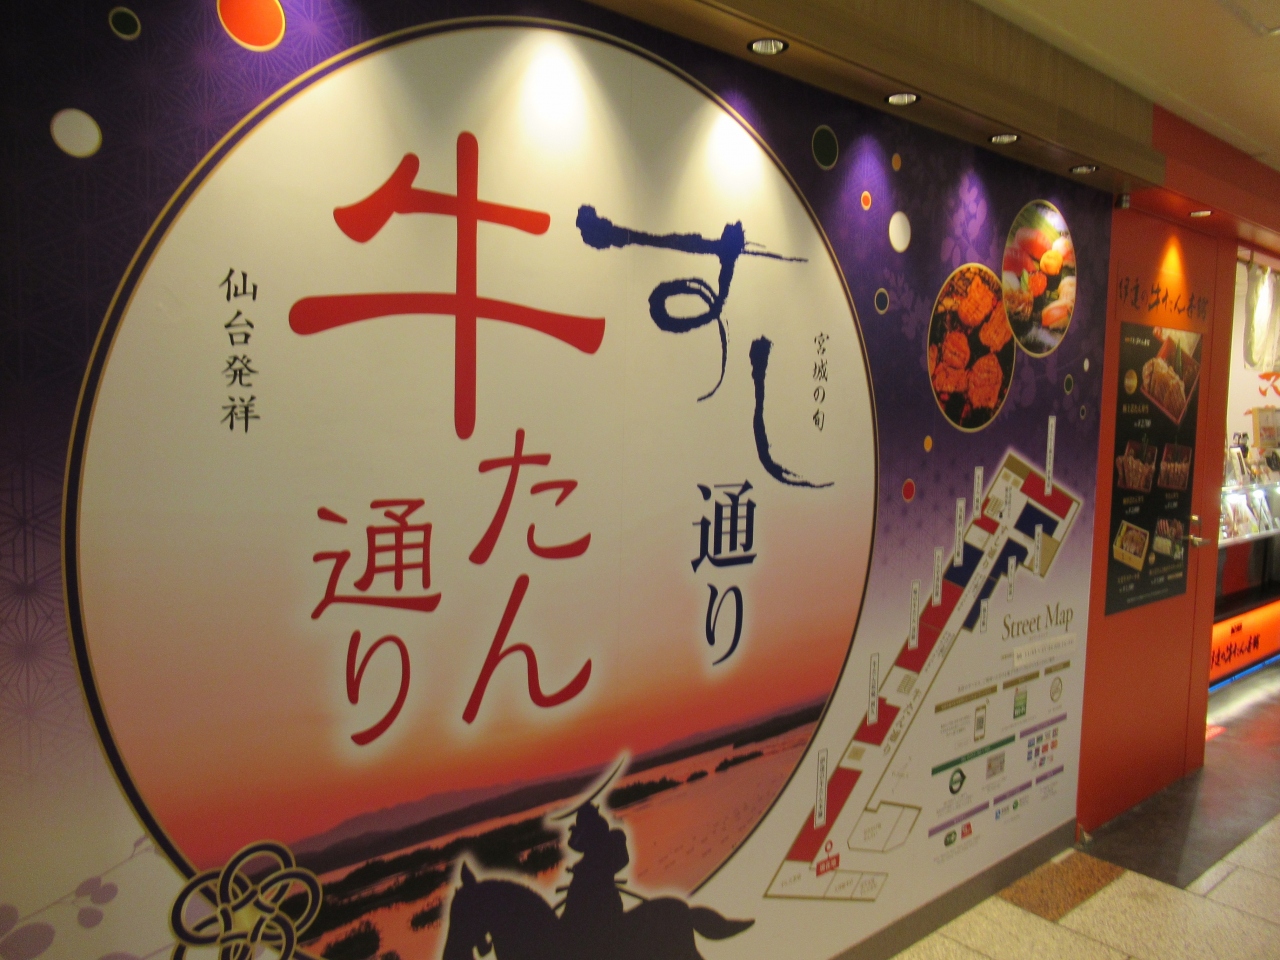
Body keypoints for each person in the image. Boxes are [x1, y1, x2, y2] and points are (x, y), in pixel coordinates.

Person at [560, 801, 631, 956]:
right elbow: (577, 845)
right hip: (597, 893)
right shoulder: (594, 830)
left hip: (599, 898)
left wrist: (577, 832)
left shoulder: (596, 829)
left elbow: (580, 846)